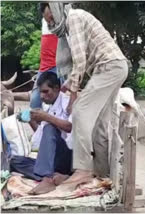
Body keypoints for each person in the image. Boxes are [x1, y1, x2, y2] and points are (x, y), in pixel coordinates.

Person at [41, 2, 128, 189]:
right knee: (99, 124)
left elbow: (79, 60)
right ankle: (102, 173)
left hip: (109, 67)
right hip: (112, 67)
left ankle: (83, 170)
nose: (50, 24)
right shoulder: (70, 24)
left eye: (51, 18)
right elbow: (81, 62)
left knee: (80, 111)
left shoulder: (73, 18)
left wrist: (73, 96)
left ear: (57, 11)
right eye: (47, 21)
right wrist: (68, 85)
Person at [10, 72, 73, 195]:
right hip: (52, 162)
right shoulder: (47, 106)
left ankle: (47, 179)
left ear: (56, 88)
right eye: (40, 92)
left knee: (50, 127)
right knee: (15, 161)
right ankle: (56, 176)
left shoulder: (67, 102)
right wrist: (31, 121)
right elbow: (42, 139)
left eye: (45, 91)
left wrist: (46, 117)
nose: (42, 96)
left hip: (67, 154)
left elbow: (70, 127)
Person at [30, 17, 58, 109]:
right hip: (44, 68)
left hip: (59, 68)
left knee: (58, 100)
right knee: (34, 101)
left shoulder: (65, 20)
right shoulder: (44, 21)